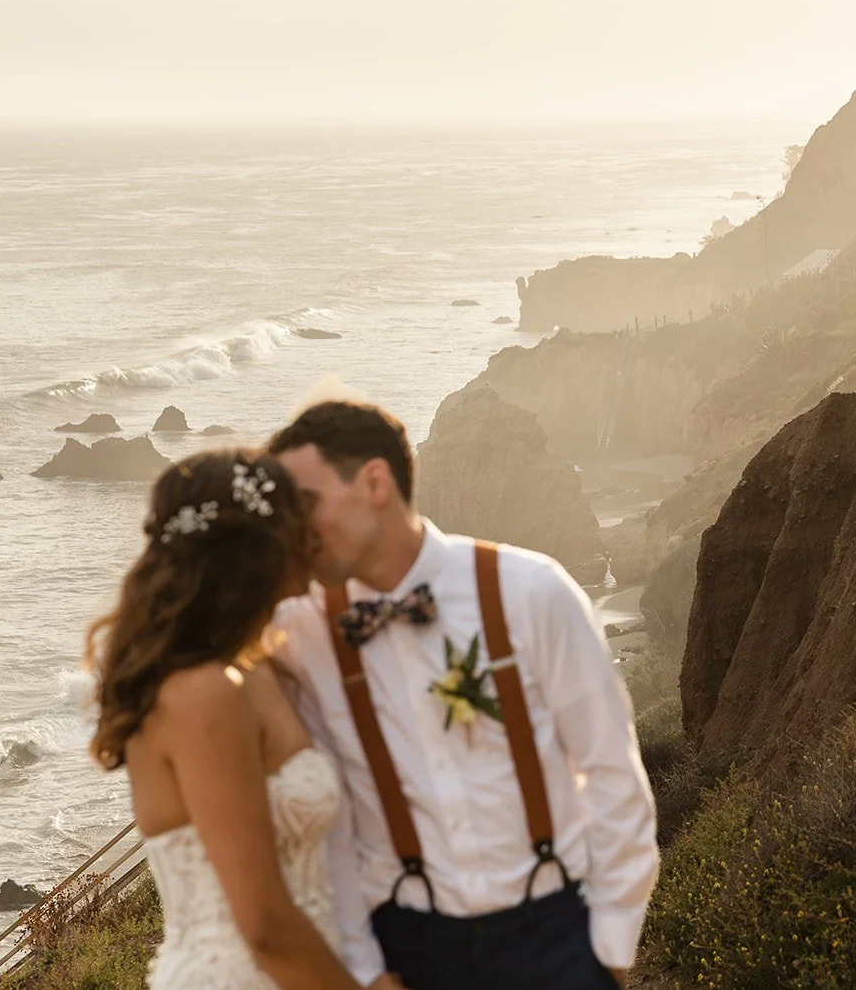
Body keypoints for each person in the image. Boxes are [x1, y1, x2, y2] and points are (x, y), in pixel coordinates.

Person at [268, 400, 659, 990]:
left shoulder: (531, 590)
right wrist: (367, 970)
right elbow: (333, 827)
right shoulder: (300, 634)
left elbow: (612, 774)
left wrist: (606, 960)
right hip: (406, 948)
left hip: (553, 938)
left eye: (306, 505)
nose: (295, 529)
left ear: (375, 482)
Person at [86, 450, 386, 990]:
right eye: (299, 525)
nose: (314, 538)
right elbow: (264, 922)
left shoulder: (260, 668)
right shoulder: (202, 695)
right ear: (258, 551)